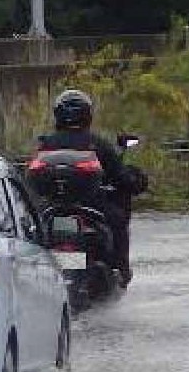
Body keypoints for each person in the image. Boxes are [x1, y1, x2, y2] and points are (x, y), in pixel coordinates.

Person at [37, 89, 136, 285]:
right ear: (87, 115)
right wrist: (133, 181)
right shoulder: (97, 143)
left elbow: (33, 178)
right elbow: (121, 176)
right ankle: (121, 269)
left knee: (33, 231)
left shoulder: (47, 143)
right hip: (91, 206)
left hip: (53, 207)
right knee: (118, 222)